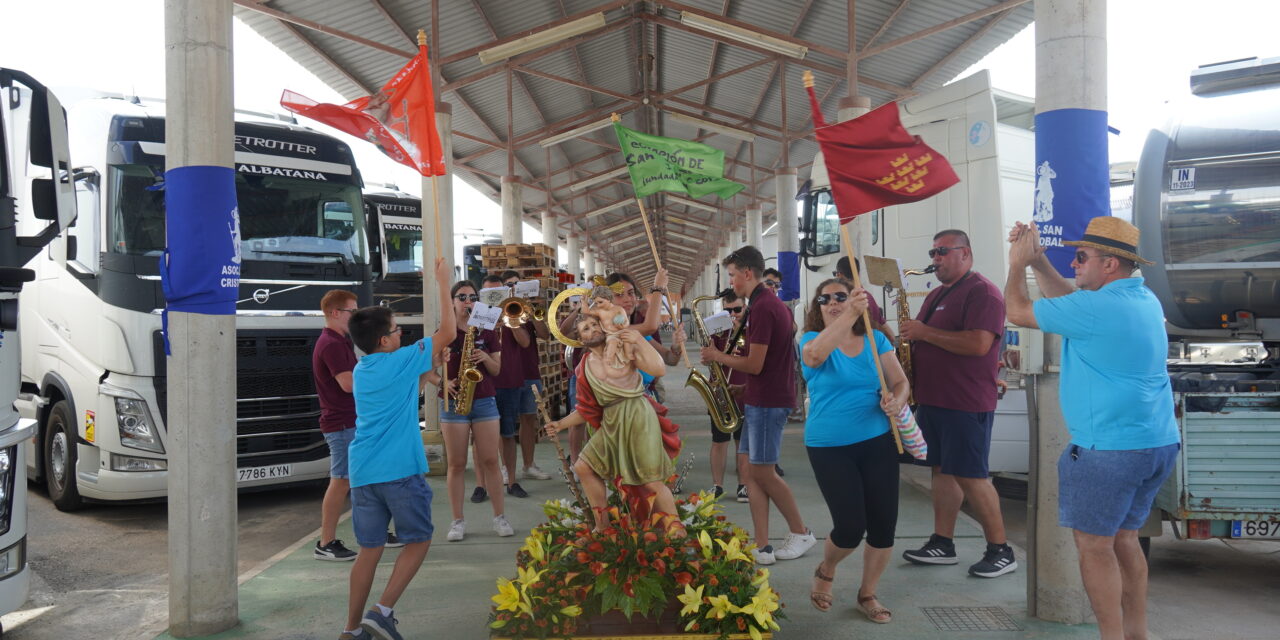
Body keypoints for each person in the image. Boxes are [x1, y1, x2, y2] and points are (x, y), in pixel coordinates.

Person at [1005, 218, 1179, 640]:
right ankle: (1136, 633)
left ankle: (1111, 637)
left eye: (1082, 257)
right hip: (1154, 443)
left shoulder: (1096, 308)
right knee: (1124, 539)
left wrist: (1016, 266)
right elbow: (1068, 304)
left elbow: (1016, 311)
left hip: (1108, 450)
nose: (1075, 263)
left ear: (1111, 265)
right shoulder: (1141, 299)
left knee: (1095, 547)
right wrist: (1041, 262)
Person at [339, 258, 454, 640]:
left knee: (369, 549)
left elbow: (408, 390)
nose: (400, 332)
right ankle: (382, 612)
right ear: (385, 340)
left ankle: (352, 628)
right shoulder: (401, 358)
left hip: (363, 473)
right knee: (418, 541)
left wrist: (426, 367)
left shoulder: (364, 369)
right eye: (395, 330)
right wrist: (442, 283)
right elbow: (449, 331)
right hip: (401, 471)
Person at [899, 230, 1015, 578]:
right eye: (933, 252)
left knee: (972, 476)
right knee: (942, 471)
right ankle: (942, 542)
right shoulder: (937, 294)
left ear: (965, 253)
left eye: (942, 252)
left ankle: (1001, 550)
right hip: (935, 401)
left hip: (965, 402)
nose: (934, 259)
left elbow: (979, 344)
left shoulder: (983, 293)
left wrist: (923, 333)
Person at [800, 278, 909, 623]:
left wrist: (897, 402)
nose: (832, 302)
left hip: (877, 440)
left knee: (883, 525)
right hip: (829, 446)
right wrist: (850, 313)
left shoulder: (875, 340)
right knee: (849, 526)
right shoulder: (809, 341)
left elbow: (901, 382)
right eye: (825, 299)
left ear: (856, 300)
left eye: (840, 297)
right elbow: (816, 356)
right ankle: (827, 568)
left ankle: (868, 593)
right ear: (817, 308)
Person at [701, 245, 816, 565]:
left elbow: (754, 363)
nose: (732, 281)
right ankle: (762, 544)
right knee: (750, 472)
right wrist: (742, 388)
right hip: (758, 397)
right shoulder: (760, 305)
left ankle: (801, 531)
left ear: (747, 273)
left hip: (768, 402)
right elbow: (762, 366)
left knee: (763, 472)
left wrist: (716, 357)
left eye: (733, 275)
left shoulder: (764, 308)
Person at [542, 310, 680, 534]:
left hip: (637, 415)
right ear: (580, 339)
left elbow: (659, 369)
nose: (593, 329)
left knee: (650, 479)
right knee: (583, 466)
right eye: (586, 328)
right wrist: (560, 424)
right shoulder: (584, 367)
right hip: (612, 422)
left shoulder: (623, 348)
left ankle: (677, 531)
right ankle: (602, 526)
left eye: (595, 324)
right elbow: (586, 409)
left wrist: (637, 341)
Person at [421, 281, 514, 542]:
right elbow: (425, 369)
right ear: (452, 302)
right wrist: (443, 382)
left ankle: (499, 516)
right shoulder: (444, 333)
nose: (467, 301)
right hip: (452, 403)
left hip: (484, 400)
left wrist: (485, 358)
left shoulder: (486, 330)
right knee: (457, 463)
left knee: (490, 460)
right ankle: (457, 521)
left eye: (472, 297)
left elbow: (497, 370)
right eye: (461, 297)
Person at [311, 289, 399, 562]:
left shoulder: (339, 341)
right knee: (341, 481)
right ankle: (326, 542)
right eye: (352, 311)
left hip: (351, 422)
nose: (356, 316)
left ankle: (377, 530)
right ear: (335, 313)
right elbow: (348, 383)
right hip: (341, 424)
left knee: (366, 479)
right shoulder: (332, 344)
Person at [487, 273, 538, 499]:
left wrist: (510, 319)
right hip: (486, 381)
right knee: (488, 433)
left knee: (508, 431)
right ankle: (493, 476)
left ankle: (512, 477)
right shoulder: (478, 317)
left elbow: (525, 342)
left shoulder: (513, 313)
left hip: (511, 380)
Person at [707, 290, 747, 503]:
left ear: (745, 307)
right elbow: (707, 358)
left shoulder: (753, 331)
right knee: (719, 441)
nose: (732, 314)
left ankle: (743, 485)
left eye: (737, 309)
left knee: (743, 442)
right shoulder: (718, 330)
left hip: (744, 392)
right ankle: (717, 486)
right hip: (720, 393)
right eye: (727, 310)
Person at [834, 255, 897, 344]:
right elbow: (891, 336)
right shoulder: (868, 297)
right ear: (858, 273)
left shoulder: (844, 302)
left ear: (839, 275)